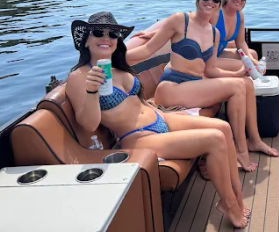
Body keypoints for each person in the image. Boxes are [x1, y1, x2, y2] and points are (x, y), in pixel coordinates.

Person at [66, 12, 250, 228]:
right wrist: (91, 91)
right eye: (98, 33)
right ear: (86, 40)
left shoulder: (117, 67)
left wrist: (165, 112)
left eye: (112, 34)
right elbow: (88, 124)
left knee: (223, 127)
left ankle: (237, 197)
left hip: (160, 117)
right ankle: (228, 205)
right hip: (138, 137)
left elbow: (139, 101)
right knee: (215, 139)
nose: (106, 38)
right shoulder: (79, 77)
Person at [126, 0, 278, 173]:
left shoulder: (213, 33)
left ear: (219, 2)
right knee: (238, 87)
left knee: (244, 83)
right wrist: (115, 54)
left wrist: (239, 72)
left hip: (194, 84)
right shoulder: (180, 20)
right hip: (171, 87)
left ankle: (253, 141)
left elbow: (212, 70)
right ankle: (241, 151)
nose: (211, 2)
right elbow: (148, 48)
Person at [210, 0, 260, 71]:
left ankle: (254, 83)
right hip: (206, 58)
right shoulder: (215, 14)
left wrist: (251, 59)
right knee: (244, 66)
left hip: (219, 53)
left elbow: (240, 43)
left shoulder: (239, 16)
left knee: (253, 55)